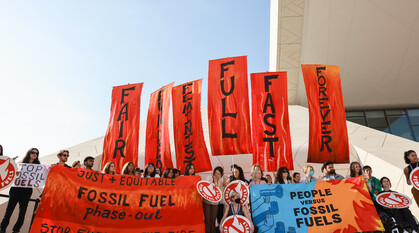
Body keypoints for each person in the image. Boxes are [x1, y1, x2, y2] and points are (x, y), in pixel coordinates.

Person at [0, 148, 40, 233]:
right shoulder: (20, 164)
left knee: (22, 213)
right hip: (16, 189)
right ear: (29, 153)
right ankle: (2, 228)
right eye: (33, 152)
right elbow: (12, 174)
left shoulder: (38, 166)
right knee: (9, 211)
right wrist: (16, 173)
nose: (34, 154)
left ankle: (16, 230)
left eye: (36, 153)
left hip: (27, 191)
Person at [203, 166, 226, 233]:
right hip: (207, 201)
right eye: (216, 173)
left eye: (218, 174)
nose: (216, 175)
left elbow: (221, 192)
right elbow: (208, 187)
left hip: (215, 203)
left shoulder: (220, 182)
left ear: (221, 175)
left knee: (213, 219)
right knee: (207, 219)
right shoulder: (209, 178)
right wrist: (214, 183)